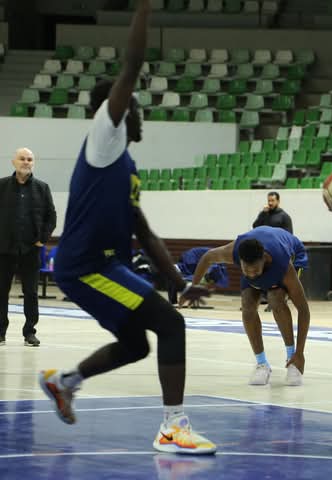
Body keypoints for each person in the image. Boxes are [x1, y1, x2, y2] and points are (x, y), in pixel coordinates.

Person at [37, 0, 216, 455]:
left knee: (137, 346)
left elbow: (145, 232)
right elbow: (132, 66)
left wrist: (179, 282)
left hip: (105, 265)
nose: (138, 113)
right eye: (133, 105)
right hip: (86, 267)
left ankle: (65, 382)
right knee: (171, 325)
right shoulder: (105, 135)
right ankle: (173, 428)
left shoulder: (123, 164)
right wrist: (144, 10)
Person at [188, 226, 310, 386]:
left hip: (292, 254)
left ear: (264, 258)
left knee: (275, 299)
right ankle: (262, 364)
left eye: (255, 271)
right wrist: (194, 288)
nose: (251, 274)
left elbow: (304, 310)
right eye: (246, 271)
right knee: (247, 305)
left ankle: (292, 359)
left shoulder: (283, 265)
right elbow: (207, 257)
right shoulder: (233, 252)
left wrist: (300, 352)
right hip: (263, 255)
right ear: (239, 261)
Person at [0, 147, 56, 347]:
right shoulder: (2, 186)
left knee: (31, 293)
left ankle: (30, 332)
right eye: (22, 158)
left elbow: (51, 216)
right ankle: (0, 332)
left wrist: (43, 239)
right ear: (14, 162)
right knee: (1, 292)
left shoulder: (42, 188)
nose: (26, 162)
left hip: (31, 250)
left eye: (29, 159)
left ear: (33, 163)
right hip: (4, 250)